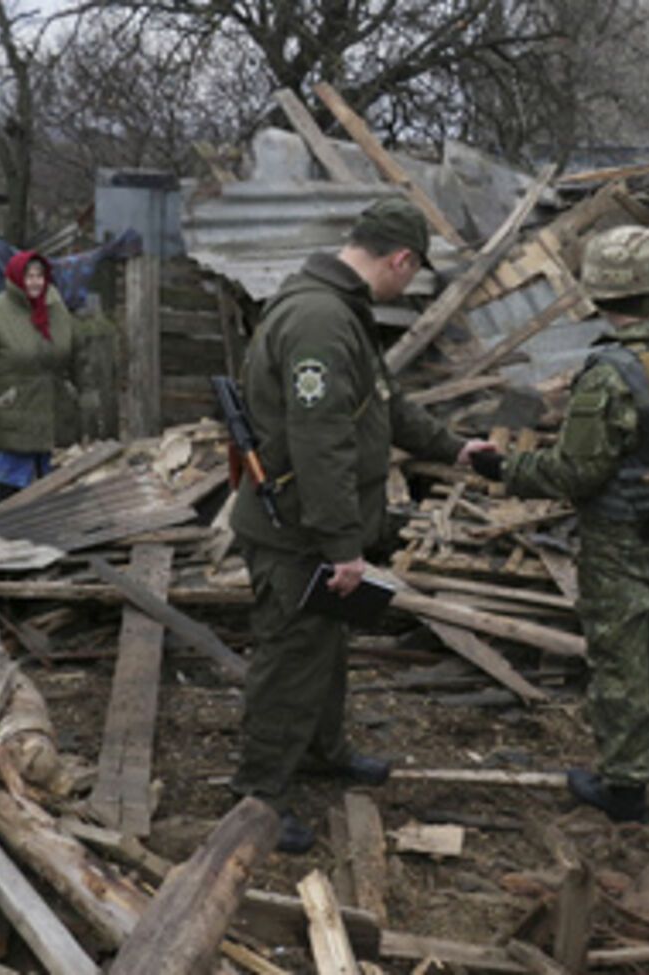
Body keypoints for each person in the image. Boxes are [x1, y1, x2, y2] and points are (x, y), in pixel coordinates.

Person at [229, 198, 495, 853]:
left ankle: (323, 749)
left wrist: (453, 447)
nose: (411, 284)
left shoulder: (339, 308)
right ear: (400, 259)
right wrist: (342, 546)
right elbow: (319, 441)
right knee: (290, 658)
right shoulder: (321, 319)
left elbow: (384, 409)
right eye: (414, 272)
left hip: (311, 530)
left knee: (323, 649)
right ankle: (259, 794)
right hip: (296, 531)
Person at [468, 225, 649, 823]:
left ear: (600, 292)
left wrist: (502, 468)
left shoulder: (610, 377)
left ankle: (625, 785)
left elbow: (574, 474)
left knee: (619, 660)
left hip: (621, 539)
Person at [0, 250, 95, 502]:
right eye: (28, 276)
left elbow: (79, 356)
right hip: (13, 410)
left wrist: (85, 392)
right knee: (10, 491)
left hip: (54, 413)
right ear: (15, 279)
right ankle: (4, 536)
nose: (35, 282)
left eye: (39, 276)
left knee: (53, 489)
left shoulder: (57, 309)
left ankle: (52, 538)